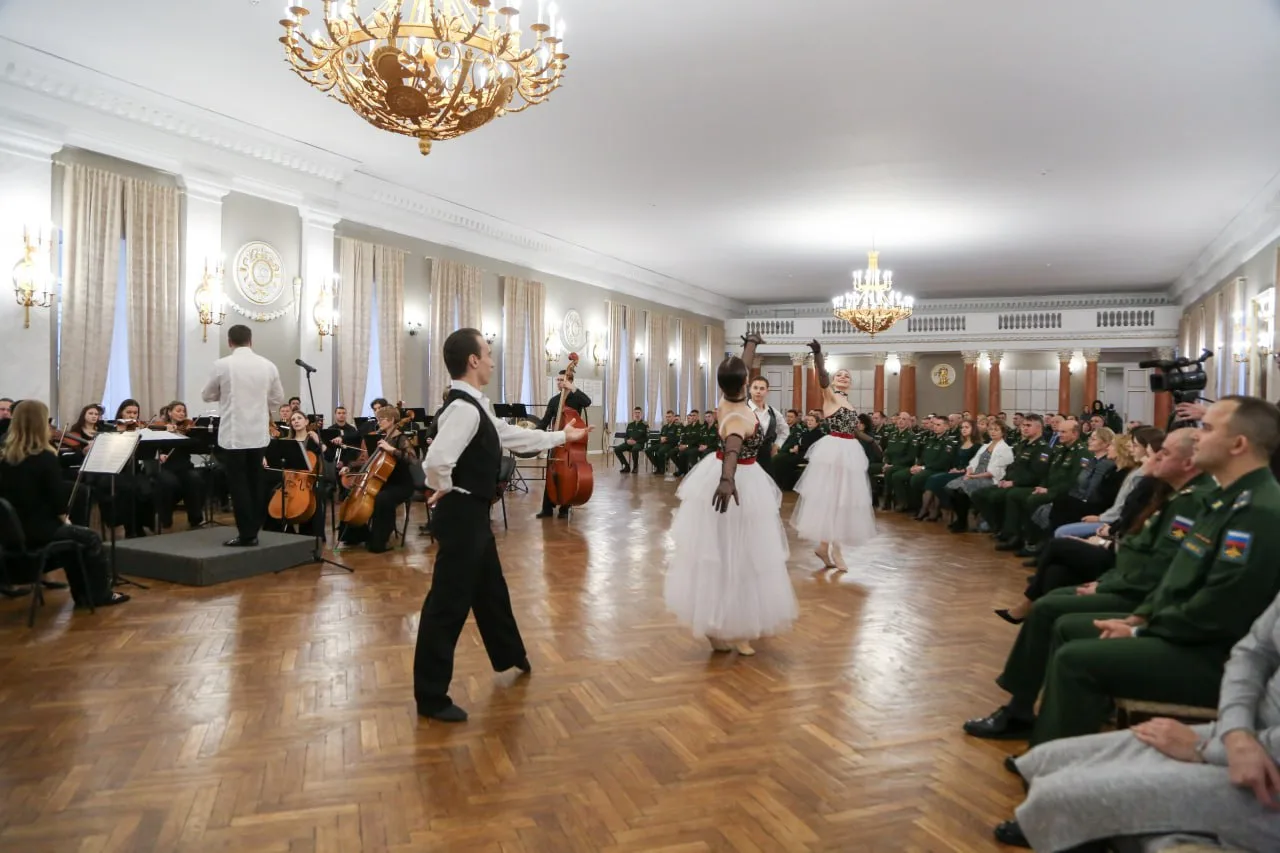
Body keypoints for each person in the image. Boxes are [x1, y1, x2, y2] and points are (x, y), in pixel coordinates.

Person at [970, 398, 1280, 748]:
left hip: (1209, 652)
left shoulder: (1258, 511)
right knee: (1057, 616)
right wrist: (1140, 616)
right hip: (1176, 625)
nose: (1198, 437)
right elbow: (1178, 577)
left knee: (1075, 657)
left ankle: (1052, 758)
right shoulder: (1228, 499)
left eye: (1207, 429)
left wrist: (1141, 627)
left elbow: (1222, 606)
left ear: (1238, 444)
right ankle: (1033, 727)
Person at [995, 591, 1280, 852]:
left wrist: (1206, 749)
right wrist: (1236, 731)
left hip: (1267, 774)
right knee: (1049, 759)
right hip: (1240, 733)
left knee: (1063, 797)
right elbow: (1253, 652)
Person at [416, 328, 589, 722]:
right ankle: (430, 696)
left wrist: (562, 435)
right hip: (462, 515)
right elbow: (436, 461)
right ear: (473, 360)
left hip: (472, 514)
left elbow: (511, 437)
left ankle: (511, 654)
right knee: (446, 607)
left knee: (491, 590)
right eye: (489, 353)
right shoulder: (463, 409)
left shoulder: (475, 406)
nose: (493, 361)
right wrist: (444, 487)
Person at [664, 333, 795, 657]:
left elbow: (742, 370)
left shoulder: (728, 399)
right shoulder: (737, 414)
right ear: (745, 384)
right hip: (738, 481)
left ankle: (725, 624)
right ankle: (730, 625)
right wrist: (727, 480)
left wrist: (751, 345)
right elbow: (734, 446)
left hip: (734, 474)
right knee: (737, 554)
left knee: (733, 552)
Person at [0, 400, 127, 608]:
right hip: (39, 531)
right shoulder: (44, 457)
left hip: (12, 532)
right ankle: (98, 595)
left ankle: (85, 596)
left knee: (76, 540)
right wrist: (66, 521)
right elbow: (58, 502)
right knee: (90, 538)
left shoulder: (5, 458)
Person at [791, 339, 877, 572]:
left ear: (851, 383)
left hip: (850, 449)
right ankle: (835, 550)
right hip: (834, 450)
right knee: (833, 499)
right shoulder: (830, 395)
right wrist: (818, 356)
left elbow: (853, 429)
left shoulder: (848, 402)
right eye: (840, 375)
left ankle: (824, 546)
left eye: (847, 376)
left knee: (843, 501)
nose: (843, 377)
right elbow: (822, 378)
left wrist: (871, 441)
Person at [201, 324, 285, 547]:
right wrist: (260, 402)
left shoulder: (222, 365)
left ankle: (247, 534)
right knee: (256, 481)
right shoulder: (268, 365)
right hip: (258, 433)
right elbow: (278, 398)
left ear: (230, 342)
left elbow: (207, 395)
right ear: (251, 341)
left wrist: (225, 395)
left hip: (234, 435)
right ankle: (255, 527)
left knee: (238, 485)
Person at [338, 406, 413, 553]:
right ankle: (358, 535)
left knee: (382, 498)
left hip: (400, 484)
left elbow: (412, 459)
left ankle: (379, 542)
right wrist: (350, 468)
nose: (378, 422)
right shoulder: (382, 438)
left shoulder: (401, 438)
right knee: (352, 494)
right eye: (378, 419)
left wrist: (392, 450)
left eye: (381, 419)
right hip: (383, 481)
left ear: (391, 420)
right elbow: (370, 462)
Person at [535, 370, 591, 519]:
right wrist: (534, 433)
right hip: (556, 441)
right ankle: (547, 508)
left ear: (570, 381)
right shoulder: (554, 401)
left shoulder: (576, 398)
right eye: (558, 380)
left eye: (562, 380)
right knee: (551, 472)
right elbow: (545, 420)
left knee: (568, 475)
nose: (559, 383)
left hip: (570, 443)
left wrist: (573, 388)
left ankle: (565, 507)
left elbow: (588, 402)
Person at [154, 400, 208, 530]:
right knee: (169, 483)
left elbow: (197, 446)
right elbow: (154, 447)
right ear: (169, 412)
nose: (182, 413)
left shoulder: (188, 428)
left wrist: (190, 435)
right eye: (178, 411)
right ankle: (165, 519)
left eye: (184, 411)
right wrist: (160, 454)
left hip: (185, 467)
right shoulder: (161, 428)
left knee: (195, 480)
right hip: (166, 467)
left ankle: (195, 519)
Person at [918, 417, 980, 522]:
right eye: (962, 427)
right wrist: (955, 468)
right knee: (935, 480)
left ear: (973, 429)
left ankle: (928, 510)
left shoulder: (977, 446)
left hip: (967, 473)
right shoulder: (960, 443)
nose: (963, 429)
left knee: (935, 479)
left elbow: (976, 464)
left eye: (967, 427)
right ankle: (931, 511)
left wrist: (962, 470)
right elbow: (954, 459)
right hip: (956, 471)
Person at [747, 375, 789, 474]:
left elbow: (784, 430)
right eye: (755, 388)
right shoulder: (743, 410)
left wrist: (776, 445)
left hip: (766, 459)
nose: (758, 391)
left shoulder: (773, 412)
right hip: (746, 459)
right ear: (750, 390)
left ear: (767, 391)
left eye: (762, 388)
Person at [645, 410, 681, 475]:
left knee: (660, 452)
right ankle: (658, 466)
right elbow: (660, 435)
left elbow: (677, 439)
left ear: (673, 417)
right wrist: (660, 438)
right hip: (662, 444)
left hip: (671, 445)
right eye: (667, 417)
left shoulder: (677, 427)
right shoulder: (664, 427)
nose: (667, 418)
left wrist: (666, 439)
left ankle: (662, 469)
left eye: (669, 417)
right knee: (648, 450)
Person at [614, 406, 648, 473]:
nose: (637, 414)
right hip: (629, 443)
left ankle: (635, 467)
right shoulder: (630, 424)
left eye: (638, 413)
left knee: (634, 449)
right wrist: (627, 440)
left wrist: (636, 442)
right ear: (633, 414)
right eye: (635, 413)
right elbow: (626, 436)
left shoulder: (645, 425)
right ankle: (626, 466)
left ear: (641, 414)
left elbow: (646, 438)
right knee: (617, 449)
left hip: (638, 444)